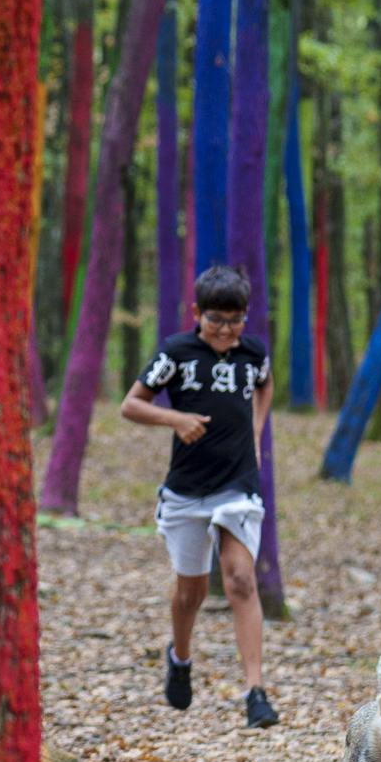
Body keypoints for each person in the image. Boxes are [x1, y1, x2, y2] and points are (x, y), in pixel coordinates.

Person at [119, 266, 275, 727]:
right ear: (196, 314)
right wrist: (175, 419)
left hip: (238, 482)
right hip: (187, 490)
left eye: (236, 319)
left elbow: (264, 385)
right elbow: (131, 404)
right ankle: (180, 658)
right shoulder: (177, 353)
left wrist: (257, 427)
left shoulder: (253, 352)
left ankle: (255, 694)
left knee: (241, 579)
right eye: (216, 320)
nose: (226, 330)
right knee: (191, 593)